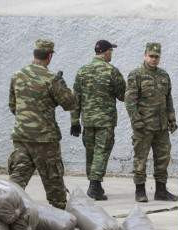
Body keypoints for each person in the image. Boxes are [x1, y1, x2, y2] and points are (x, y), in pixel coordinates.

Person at [7, 39, 78, 209]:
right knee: (54, 184)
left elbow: (13, 106)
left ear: (35, 54)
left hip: (21, 136)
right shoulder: (52, 79)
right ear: (50, 56)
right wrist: (64, 87)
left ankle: (4, 210)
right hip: (44, 140)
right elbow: (70, 104)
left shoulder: (17, 75)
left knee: (17, 179)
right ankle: (60, 220)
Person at [71, 40, 126, 200]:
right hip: (105, 121)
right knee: (101, 152)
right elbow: (122, 95)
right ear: (106, 52)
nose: (112, 54)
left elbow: (76, 98)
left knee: (91, 152)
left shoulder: (82, 71)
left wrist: (74, 121)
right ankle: (94, 185)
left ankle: (95, 184)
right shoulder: (111, 71)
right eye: (111, 51)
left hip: (87, 120)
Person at [125, 42, 178, 202]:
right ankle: (140, 191)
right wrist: (136, 121)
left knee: (163, 158)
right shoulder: (136, 75)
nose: (154, 59)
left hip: (161, 126)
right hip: (144, 126)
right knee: (140, 158)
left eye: (157, 57)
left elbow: (168, 98)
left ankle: (161, 191)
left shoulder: (164, 75)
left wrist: (172, 119)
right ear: (145, 55)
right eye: (151, 56)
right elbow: (130, 101)